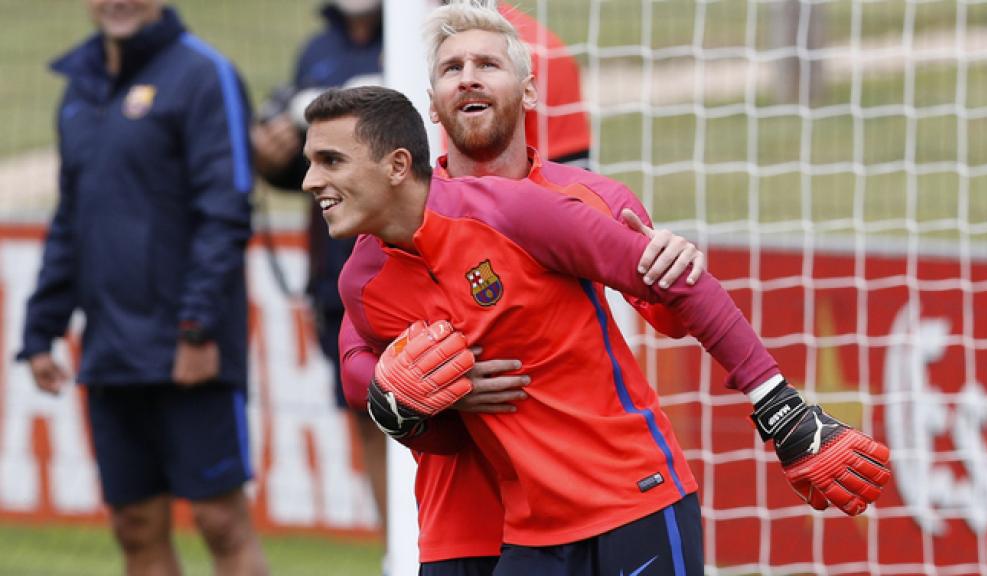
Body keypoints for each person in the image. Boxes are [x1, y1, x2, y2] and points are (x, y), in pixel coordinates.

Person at [305, 85, 892, 575]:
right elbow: (437, 430)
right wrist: (404, 408)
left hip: (635, 501)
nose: (310, 181)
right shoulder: (364, 279)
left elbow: (679, 284)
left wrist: (780, 407)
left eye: (330, 161)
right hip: (529, 531)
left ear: (397, 164)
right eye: (311, 161)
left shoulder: (517, 212)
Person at [337, 2, 706, 573]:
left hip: (585, 508)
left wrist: (679, 266)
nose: (469, 78)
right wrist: (421, 387)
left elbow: (673, 317)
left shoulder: (587, 197)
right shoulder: (400, 221)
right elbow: (354, 361)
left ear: (528, 91)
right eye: (452, 67)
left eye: (487, 63)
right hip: (457, 521)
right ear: (432, 103)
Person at [17, 1, 267, 574]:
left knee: (220, 521)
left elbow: (227, 210)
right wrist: (40, 330)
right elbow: (71, 220)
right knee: (134, 527)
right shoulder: (78, 88)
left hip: (191, 345)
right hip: (110, 348)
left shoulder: (206, 74)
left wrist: (197, 325)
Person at [248, 0, 390, 540]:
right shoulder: (316, 51)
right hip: (339, 271)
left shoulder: (432, 31)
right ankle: (396, 556)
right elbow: (309, 173)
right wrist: (274, 157)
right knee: (373, 418)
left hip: (424, 260)